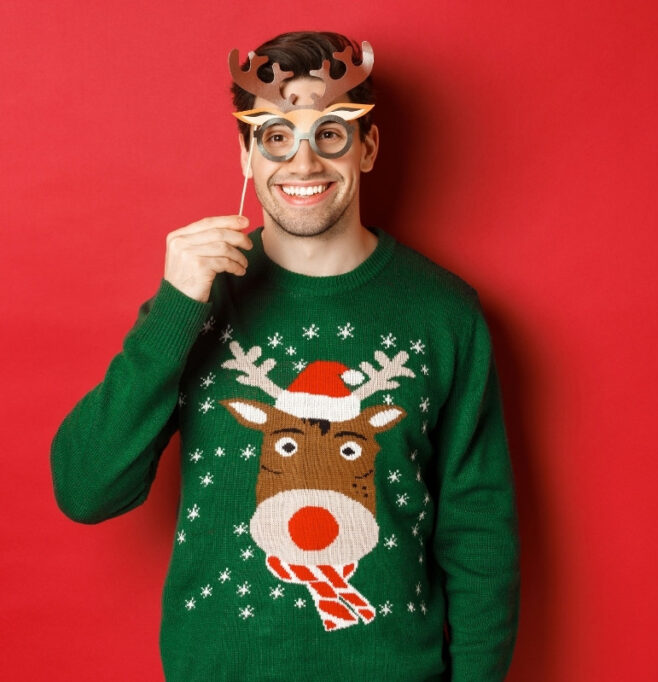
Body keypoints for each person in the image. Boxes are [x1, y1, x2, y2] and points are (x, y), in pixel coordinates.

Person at [50, 30, 520, 682]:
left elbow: (479, 534)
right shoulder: (193, 305)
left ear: (368, 147)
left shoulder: (444, 314)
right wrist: (175, 309)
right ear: (246, 154)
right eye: (275, 135)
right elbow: (85, 489)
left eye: (329, 133)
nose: (302, 163)